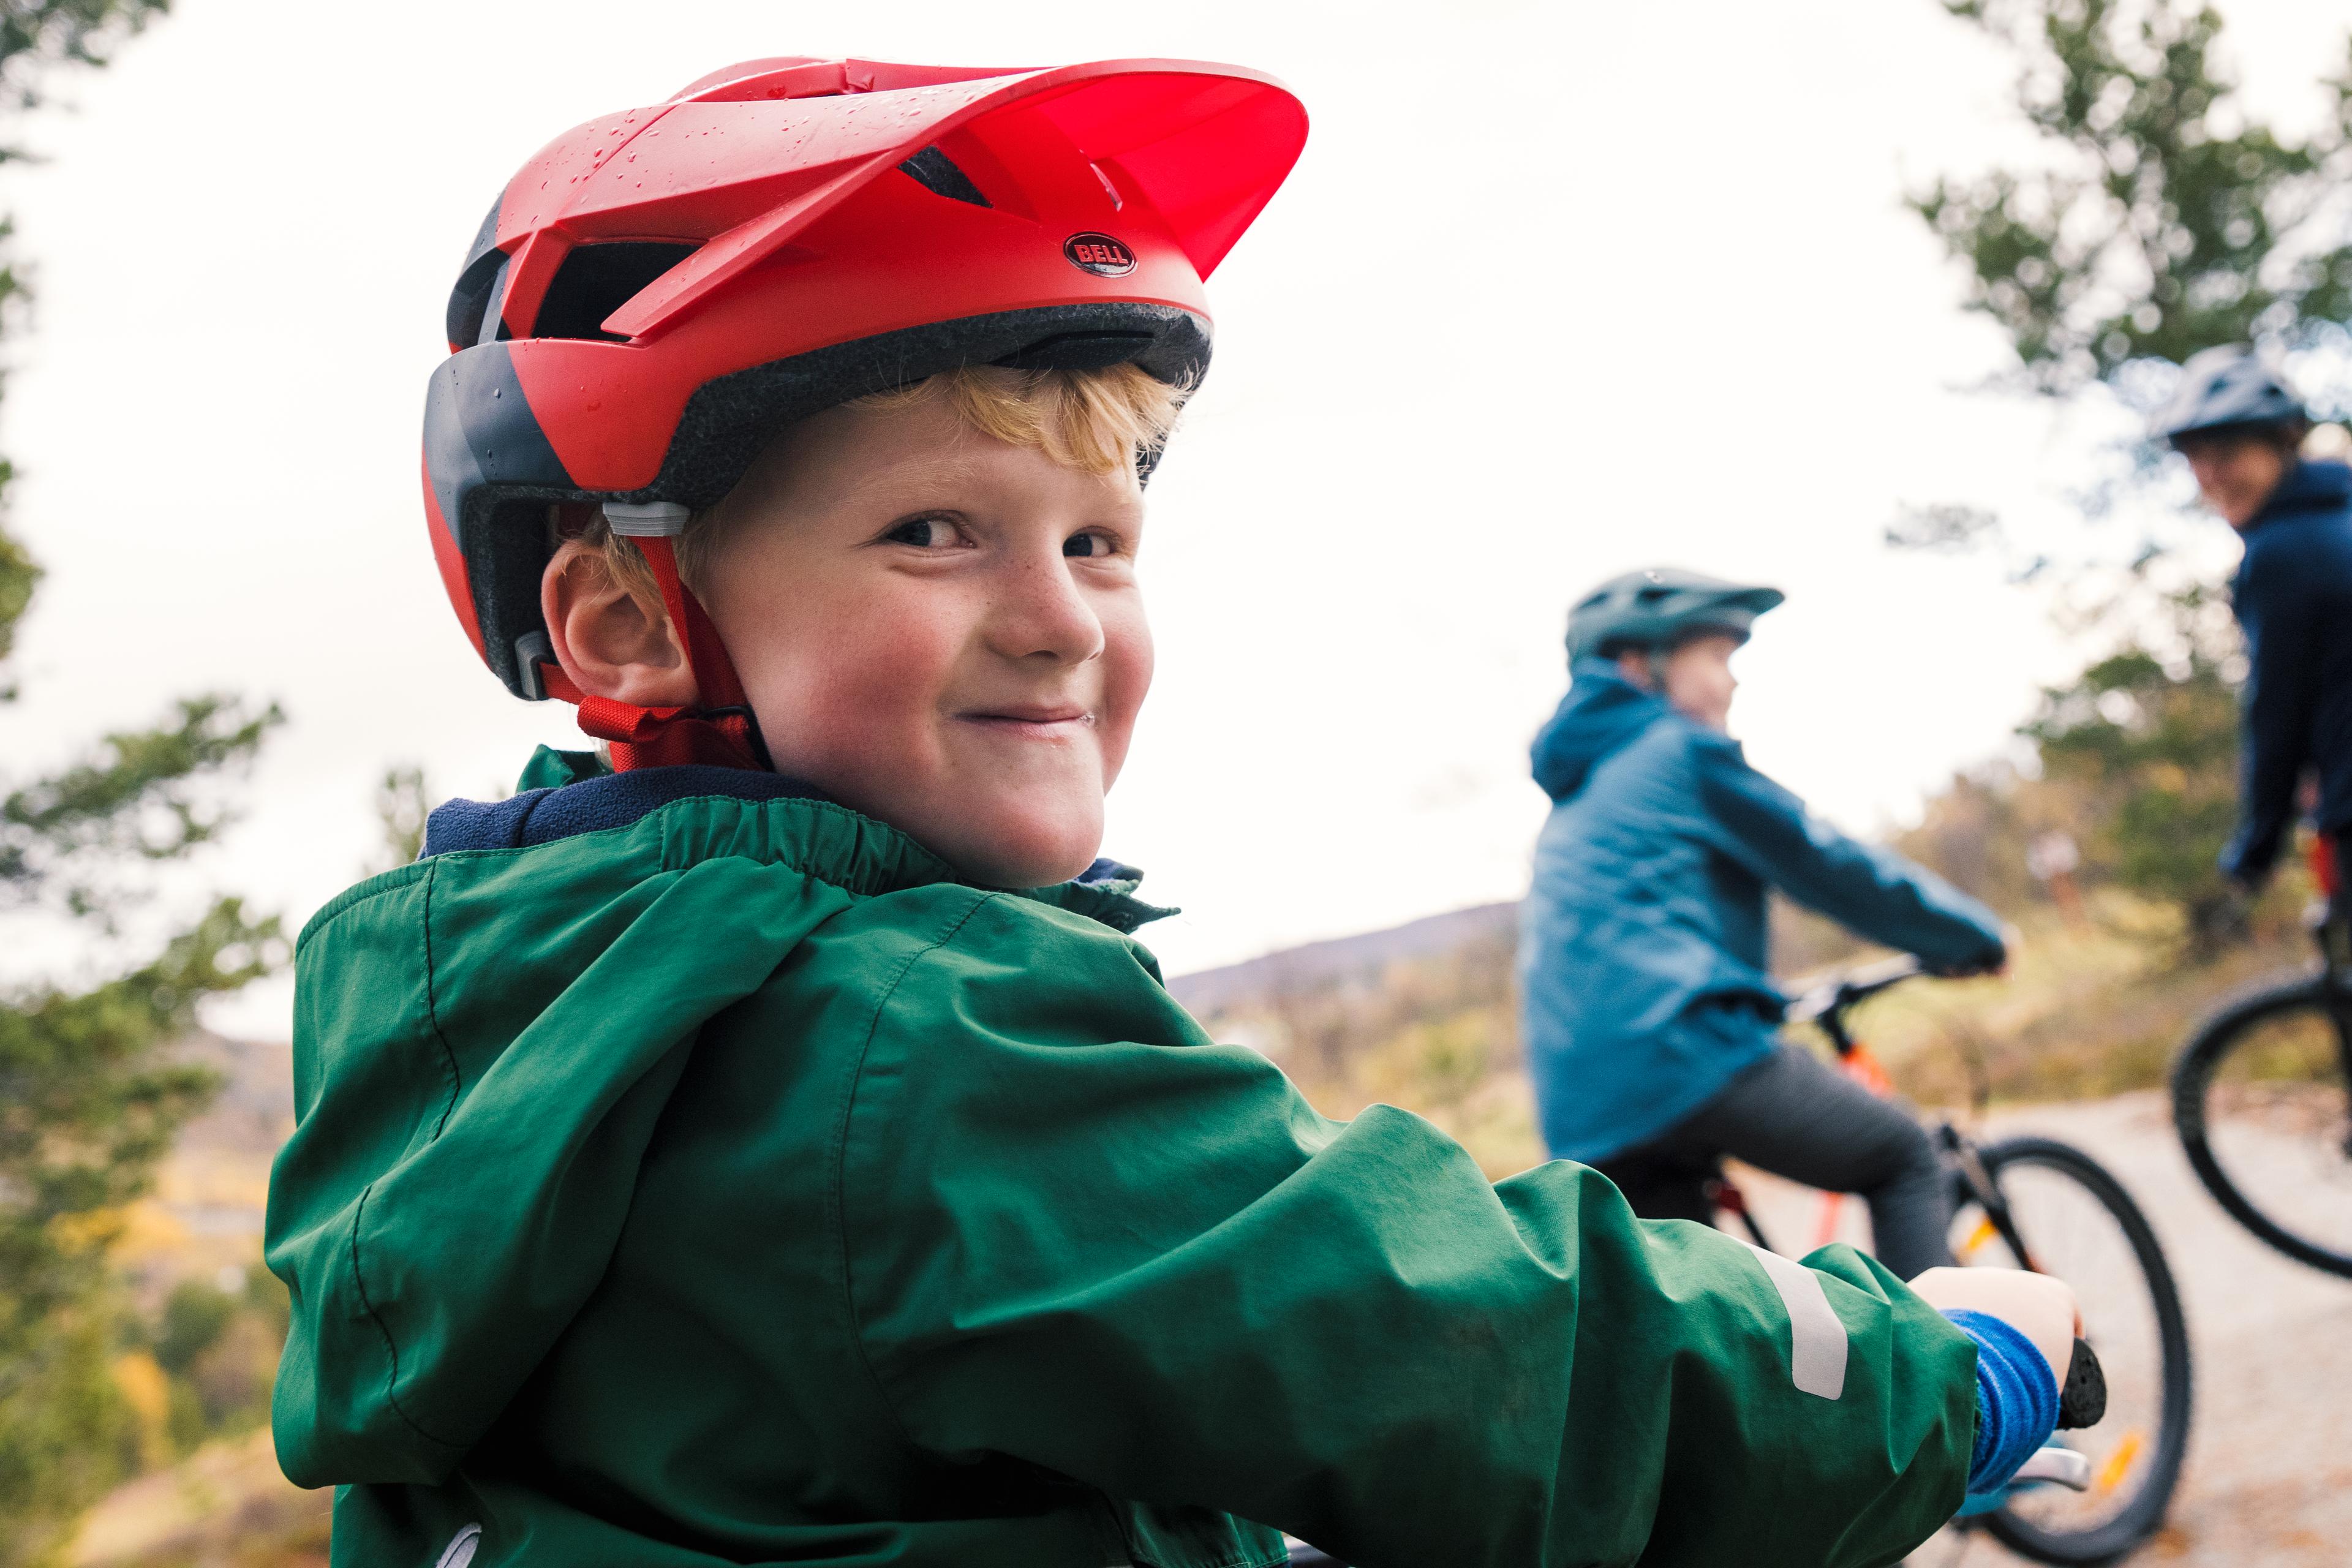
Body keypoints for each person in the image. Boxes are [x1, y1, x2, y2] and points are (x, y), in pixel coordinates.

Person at [266, 59, 2073, 1568]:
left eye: (1098, 540)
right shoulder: (908, 1039)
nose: (1059, 614)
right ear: (627, 618)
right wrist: (1941, 1363)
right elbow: (1468, 1340)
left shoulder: (518, 1024)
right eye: (930, 530)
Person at [1519, 569, 2010, 1281]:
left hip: (1584, 1112)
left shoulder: (1579, 794)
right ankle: (1947, 1391)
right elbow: (1825, 862)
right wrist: (1968, 936)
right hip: (1683, 1053)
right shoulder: (1678, 753)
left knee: (1699, 1327)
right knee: (1905, 1157)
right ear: (1637, 665)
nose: (1731, 683)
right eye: (1715, 658)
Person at [2153, 345, 2352, 919]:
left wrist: (2256, 848)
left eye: (2227, 454)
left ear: (2280, 444)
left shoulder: (2281, 554)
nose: (2211, 476)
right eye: (2196, 458)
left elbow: (2277, 712)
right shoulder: (2337, 519)